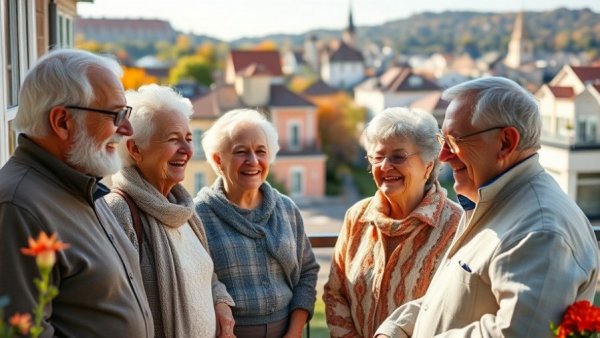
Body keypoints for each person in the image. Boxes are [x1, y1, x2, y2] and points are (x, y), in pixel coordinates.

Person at [376, 77, 600, 338]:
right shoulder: (497, 201)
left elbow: (515, 334)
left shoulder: (540, 230)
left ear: (505, 142)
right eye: (442, 140)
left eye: (455, 140)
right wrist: (396, 329)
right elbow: (451, 302)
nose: (443, 155)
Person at [0, 49, 153, 337]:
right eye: (116, 114)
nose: (128, 129)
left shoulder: (81, 182)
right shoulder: (18, 206)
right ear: (62, 122)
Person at [104, 84, 235, 338]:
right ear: (134, 149)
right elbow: (112, 313)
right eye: (174, 139)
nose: (187, 151)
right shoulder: (119, 212)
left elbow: (208, 276)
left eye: (188, 138)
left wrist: (221, 304)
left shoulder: (185, 209)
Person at [323, 107, 462, 337]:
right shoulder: (357, 216)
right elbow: (335, 294)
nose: (385, 166)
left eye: (398, 156)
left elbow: (455, 311)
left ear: (428, 165)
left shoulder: (456, 226)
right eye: (378, 156)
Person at [194, 108, 319, 338]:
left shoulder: (287, 209)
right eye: (241, 152)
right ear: (218, 160)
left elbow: (307, 273)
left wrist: (294, 332)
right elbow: (196, 281)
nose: (253, 161)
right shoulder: (198, 215)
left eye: (261, 151)